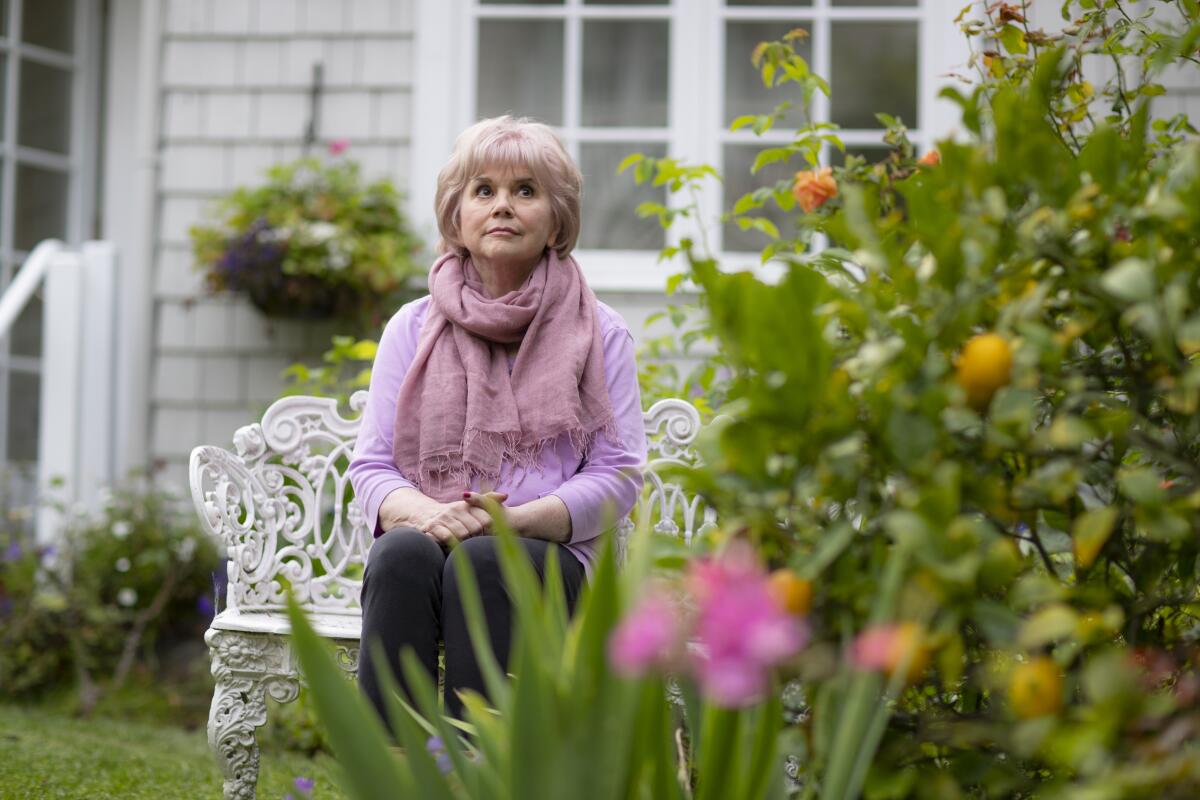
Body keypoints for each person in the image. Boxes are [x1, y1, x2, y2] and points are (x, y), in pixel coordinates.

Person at [348, 115, 647, 722]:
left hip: (547, 555)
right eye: (483, 191)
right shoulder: (411, 327)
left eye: (526, 191)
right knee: (400, 554)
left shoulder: (600, 332)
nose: (502, 206)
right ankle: (393, 766)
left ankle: (484, 762)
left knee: (488, 559)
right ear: (456, 214)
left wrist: (513, 523)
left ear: (556, 217)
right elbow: (373, 466)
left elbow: (618, 474)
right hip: (432, 537)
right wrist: (432, 516)